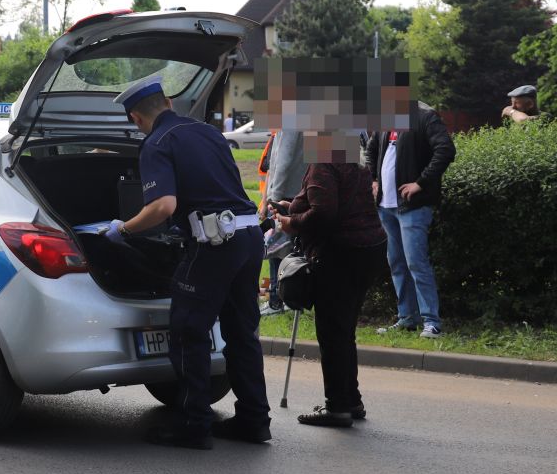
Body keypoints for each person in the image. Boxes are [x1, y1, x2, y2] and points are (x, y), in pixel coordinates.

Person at [104, 76, 271, 449]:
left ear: (135, 118)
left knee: (187, 330)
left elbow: (163, 207)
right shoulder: (208, 133)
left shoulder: (157, 143)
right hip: (247, 238)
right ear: (168, 102)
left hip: (214, 245)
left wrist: (125, 229)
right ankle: (254, 421)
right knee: (242, 332)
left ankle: (194, 424)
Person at [273, 157, 387, 426]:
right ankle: (351, 400)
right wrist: (295, 206)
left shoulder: (322, 164)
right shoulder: (352, 162)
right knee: (344, 329)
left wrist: (292, 222)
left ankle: (337, 407)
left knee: (333, 331)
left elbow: (325, 214)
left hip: (341, 252)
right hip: (369, 249)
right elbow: (334, 201)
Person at [370, 103, 455, 339]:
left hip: (412, 207)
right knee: (396, 263)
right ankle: (407, 317)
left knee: (416, 263)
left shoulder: (425, 118)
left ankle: (432, 322)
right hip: (387, 207)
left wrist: (421, 183)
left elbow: (446, 150)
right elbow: (372, 148)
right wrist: (374, 179)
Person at [259, 129, 305, 316]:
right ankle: (292, 301)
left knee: (277, 250)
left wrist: (273, 199)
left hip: (286, 196)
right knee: (293, 251)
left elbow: (283, 163)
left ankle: (278, 301)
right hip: (297, 194)